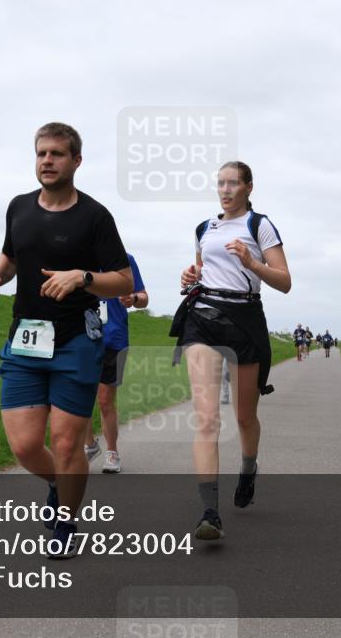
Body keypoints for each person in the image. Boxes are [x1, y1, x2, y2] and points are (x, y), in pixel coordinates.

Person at [0, 122, 133, 558]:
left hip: (75, 342)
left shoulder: (95, 216)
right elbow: (11, 254)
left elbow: (121, 280)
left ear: (76, 162)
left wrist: (82, 277)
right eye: (41, 153)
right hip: (26, 341)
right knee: (26, 446)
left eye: (57, 154)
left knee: (67, 443)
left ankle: (66, 522)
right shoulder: (18, 207)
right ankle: (60, 484)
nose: (47, 161)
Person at [170, 161, 291, 540]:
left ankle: (249, 468)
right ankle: (210, 512)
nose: (224, 190)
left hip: (244, 320)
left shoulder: (261, 225)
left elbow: (284, 282)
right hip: (202, 316)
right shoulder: (205, 228)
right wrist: (190, 276)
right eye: (220, 183)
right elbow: (201, 270)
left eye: (232, 183)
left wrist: (252, 262)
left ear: (248, 187)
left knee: (243, 417)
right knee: (207, 419)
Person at [84, 253, 148, 473]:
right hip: (81, 337)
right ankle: (90, 445)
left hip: (113, 337)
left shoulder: (124, 260)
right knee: (77, 397)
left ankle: (112, 452)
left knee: (104, 399)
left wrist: (134, 299)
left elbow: (143, 297)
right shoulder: (78, 256)